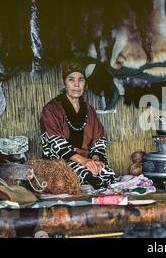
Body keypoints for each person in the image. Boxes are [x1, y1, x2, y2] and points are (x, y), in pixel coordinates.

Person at [40, 60, 116, 189]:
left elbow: (98, 138)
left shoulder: (89, 110)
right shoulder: (51, 109)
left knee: (107, 174)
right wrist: (84, 162)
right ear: (64, 83)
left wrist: (96, 160)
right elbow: (56, 144)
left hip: (88, 160)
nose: (76, 84)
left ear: (85, 83)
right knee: (85, 177)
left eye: (81, 80)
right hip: (61, 162)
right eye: (71, 79)